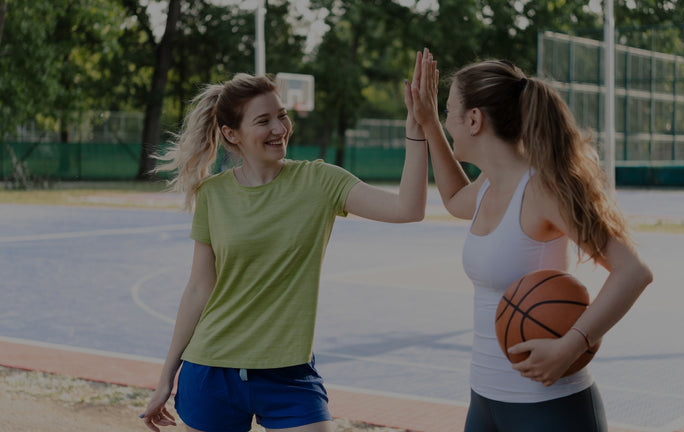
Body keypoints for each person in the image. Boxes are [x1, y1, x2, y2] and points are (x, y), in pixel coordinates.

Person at [139, 51, 431, 432]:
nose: (280, 128)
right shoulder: (212, 194)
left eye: (282, 115)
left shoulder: (320, 181)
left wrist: (417, 128)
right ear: (232, 134)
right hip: (212, 371)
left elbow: (408, 208)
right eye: (264, 120)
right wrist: (166, 378)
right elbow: (198, 288)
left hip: (289, 375)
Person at [408, 49, 653, 431]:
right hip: (485, 399)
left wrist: (570, 346)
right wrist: (428, 125)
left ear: (474, 120)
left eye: (448, 111)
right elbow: (455, 199)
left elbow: (633, 272)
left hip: (548, 406)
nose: (447, 120)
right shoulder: (488, 184)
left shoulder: (543, 190)